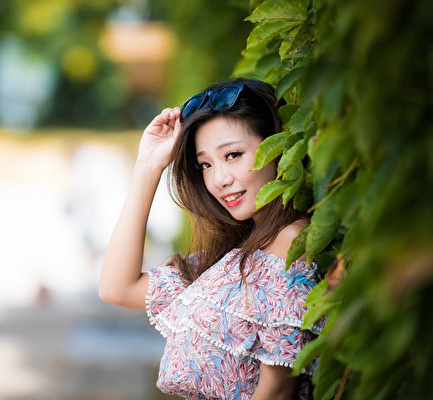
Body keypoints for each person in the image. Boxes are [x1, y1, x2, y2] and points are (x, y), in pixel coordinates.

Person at [99, 78, 324, 399]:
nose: (219, 179)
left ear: (277, 148)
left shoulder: (290, 243)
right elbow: (116, 288)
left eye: (233, 155)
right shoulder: (233, 255)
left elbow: (276, 392)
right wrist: (148, 167)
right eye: (205, 164)